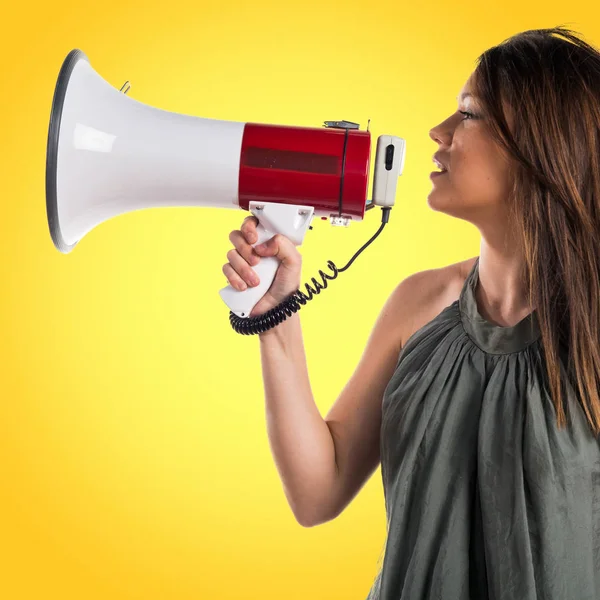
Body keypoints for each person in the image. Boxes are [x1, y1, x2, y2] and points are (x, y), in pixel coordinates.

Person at [222, 26, 600, 599]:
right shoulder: (419, 304)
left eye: (468, 114)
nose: (438, 133)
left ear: (541, 147)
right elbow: (317, 491)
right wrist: (276, 317)